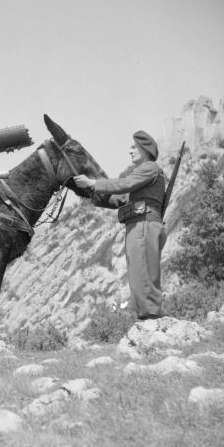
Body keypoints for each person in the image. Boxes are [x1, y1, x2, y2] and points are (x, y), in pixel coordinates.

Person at [73, 131, 167, 321]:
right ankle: (146, 316)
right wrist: (92, 191)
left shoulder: (149, 167)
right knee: (138, 275)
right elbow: (120, 200)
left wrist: (93, 182)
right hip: (138, 225)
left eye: (134, 147)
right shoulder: (144, 173)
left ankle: (152, 318)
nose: (130, 150)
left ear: (145, 149)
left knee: (143, 274)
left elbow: (125, 184)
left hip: (144, 225)